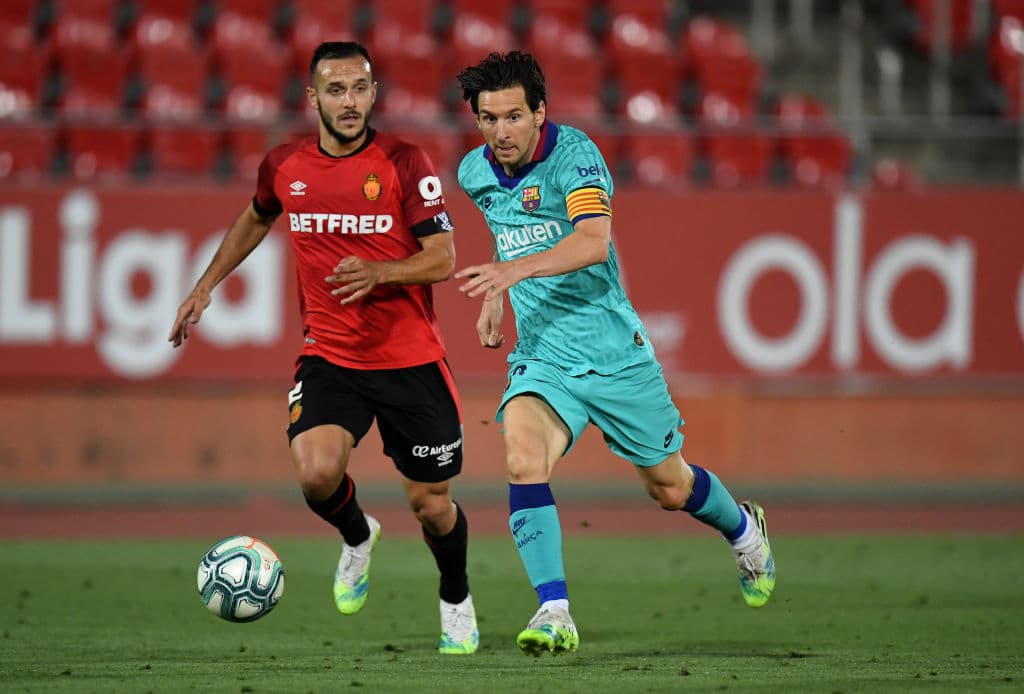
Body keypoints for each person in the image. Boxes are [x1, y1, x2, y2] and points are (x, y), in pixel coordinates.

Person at [453, 51, 775, 657]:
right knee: (522, 457)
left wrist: (507, 271)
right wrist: (498, 297)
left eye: (514, 117)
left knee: (669, 487)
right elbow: (505, 228)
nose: (500, 133)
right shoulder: (475, 172)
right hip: (544, 356)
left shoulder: (576, 157)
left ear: (540, 112)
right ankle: (554, 610)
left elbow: (593, 243)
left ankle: (742, 527)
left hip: (614, 354)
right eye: (488, 119)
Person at [169, 41, 479, 655]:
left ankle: (455, 595)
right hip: (330, 355)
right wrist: (205, 285)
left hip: (410, 360)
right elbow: (259, 216)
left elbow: (444, 258)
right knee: (315, 475)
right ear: (312, 97)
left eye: (359, 89)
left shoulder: (403, 162)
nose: (349, 102)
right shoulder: (285, 165)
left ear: (373, 93)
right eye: (335, 90)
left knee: (432, 506)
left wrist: (381, 272)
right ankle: (358, 533)